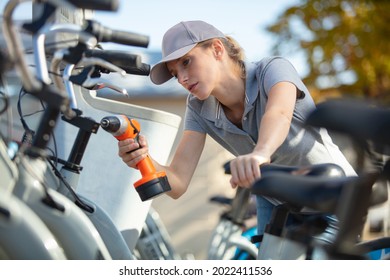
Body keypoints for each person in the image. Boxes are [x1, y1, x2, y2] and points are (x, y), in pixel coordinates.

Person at [117, 20, 356, 254]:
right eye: (174, 73)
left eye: (186, 62)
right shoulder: (198, 107)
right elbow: (178, 182)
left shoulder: (272, 70)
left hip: (330, 196)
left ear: (217, 49)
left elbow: (279, 113)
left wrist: (260, 153)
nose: (181, 78)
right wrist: (144, 159)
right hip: (275, 202)